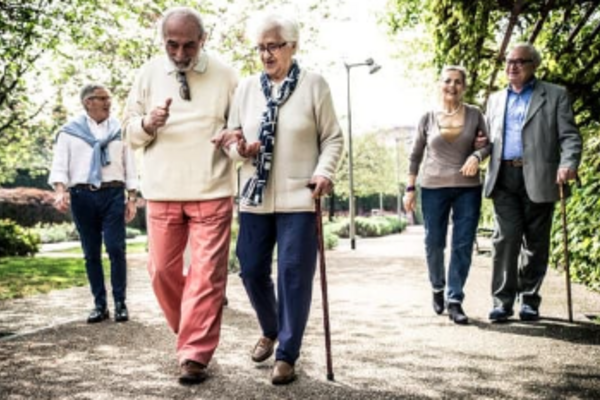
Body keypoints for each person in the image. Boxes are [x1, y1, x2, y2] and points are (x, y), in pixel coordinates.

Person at [213, 12, 344, 385]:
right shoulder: (247, 90)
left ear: (293, 46)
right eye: (261, 48)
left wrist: (324, 172)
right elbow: (234, 144)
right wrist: (241, 148)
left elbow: (332, 138)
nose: (267, 54)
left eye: (274, 46)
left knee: (293, 275)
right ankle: (270, 328)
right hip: (255, 196)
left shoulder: (314, 85)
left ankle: (287, 353)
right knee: (251, 267)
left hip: (299, 198)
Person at [122, 6, 238, 385]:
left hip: (211, 189)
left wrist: (233, 140)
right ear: (163, 42)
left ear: (203, 41)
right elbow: (128, 130)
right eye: (173, 45)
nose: (181, 53)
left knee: (206, 277)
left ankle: (194, 354)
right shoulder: (148, 74)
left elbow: (239, 131)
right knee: (160, 272)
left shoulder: (225, 76)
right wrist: (147, 124)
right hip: (162, 189)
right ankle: (190, 330)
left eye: (189, 45)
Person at [484, 43, 582, 323]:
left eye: (519, 61)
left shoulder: (555, 95)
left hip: (541, 175)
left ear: (533, 65)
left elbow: (570, 136)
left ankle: (529, 300)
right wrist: (479, 146)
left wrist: (568, 163)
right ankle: (502, 302)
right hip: (504, 176)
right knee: (505, 240)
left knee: (536, 244)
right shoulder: (494, 100)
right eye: (508, 61)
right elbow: (488, 138)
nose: (511, 66)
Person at [404, 66, 491, 325]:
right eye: (447, 81)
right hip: (432, 187)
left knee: (463, 244)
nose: (451, 86)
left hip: (468, 187)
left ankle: (455, 300)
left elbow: (487, 144)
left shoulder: (475, 114)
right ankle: (437, 287)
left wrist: (476, 156)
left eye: (457, 82)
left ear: (464, 86)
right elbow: (415, 155)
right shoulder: (427, 118)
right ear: (440, 84)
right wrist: (410, 189)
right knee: (434, 242)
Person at [49, 83, 138, 324]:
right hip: (82, 196)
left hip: (113, 194)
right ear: (88, 102)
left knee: (116, 248)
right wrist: (60, 190)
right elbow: (60, 165)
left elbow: (130, 165)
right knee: (91, 253)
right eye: (103, 98)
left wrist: (132, 198)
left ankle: (120, 303)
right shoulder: (69, 132)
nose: (109, 102)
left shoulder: (121, 130)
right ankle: (100, 305)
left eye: (109, 98)